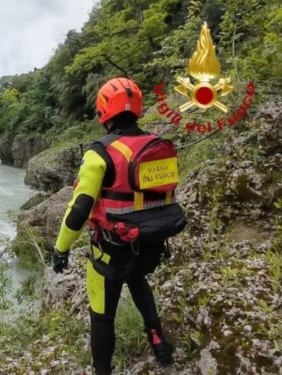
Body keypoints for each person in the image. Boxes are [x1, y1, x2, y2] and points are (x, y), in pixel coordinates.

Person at [52, 77, 178, 375]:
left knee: (102, 316)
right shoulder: (156, 145)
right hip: (151, 246)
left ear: (104, 112)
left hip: (111, 251)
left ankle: (102, 371)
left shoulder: (99, 153)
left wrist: (60, 248)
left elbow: (79, 210)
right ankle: (158, 340)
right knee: (137, 279)